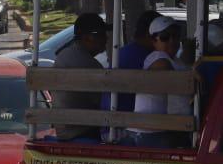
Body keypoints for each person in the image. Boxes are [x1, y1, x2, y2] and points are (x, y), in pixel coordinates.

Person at [130, 18, 192, 148]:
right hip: (150, 132)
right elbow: (173, 79)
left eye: (175, 36)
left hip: (166, 128)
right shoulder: (158, 58)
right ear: (154, 40)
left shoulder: (175, 60)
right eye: (164, 37)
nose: (172, 41)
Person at [50, 12, 110, 141]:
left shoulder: (64, 55)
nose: (106, 38)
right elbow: (103, 102)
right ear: (88, 37)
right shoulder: (90, 65)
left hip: (64, 130)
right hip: (81, 131)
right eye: (102, 34)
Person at [111, 10, 160, 113]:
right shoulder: (151, 58)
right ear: (149, 35)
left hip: (112, 119)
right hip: (127, 120)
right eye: (164, 36)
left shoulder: (122, 53)